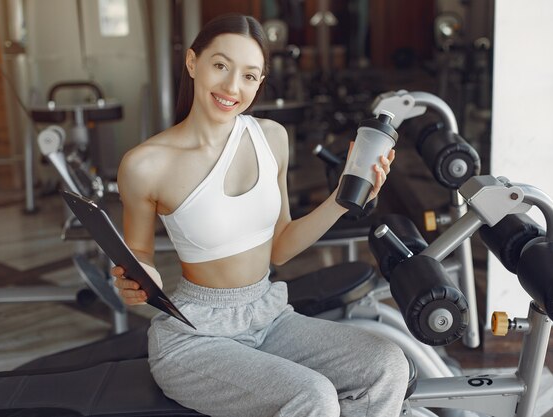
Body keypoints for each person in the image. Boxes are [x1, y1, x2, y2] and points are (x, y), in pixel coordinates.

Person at [112, 12, 408, 417]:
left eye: (249, 76)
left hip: (269, 317)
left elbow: (280, 248)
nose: (232, 87)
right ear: (192, 62)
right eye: (220, 66)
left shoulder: (271, 137)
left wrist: (341, 198)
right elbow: (137, 258)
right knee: (313, 396)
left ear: (260, 83)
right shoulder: (146, 164)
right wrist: (137, 281)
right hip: (194, 337)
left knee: (386, 364)